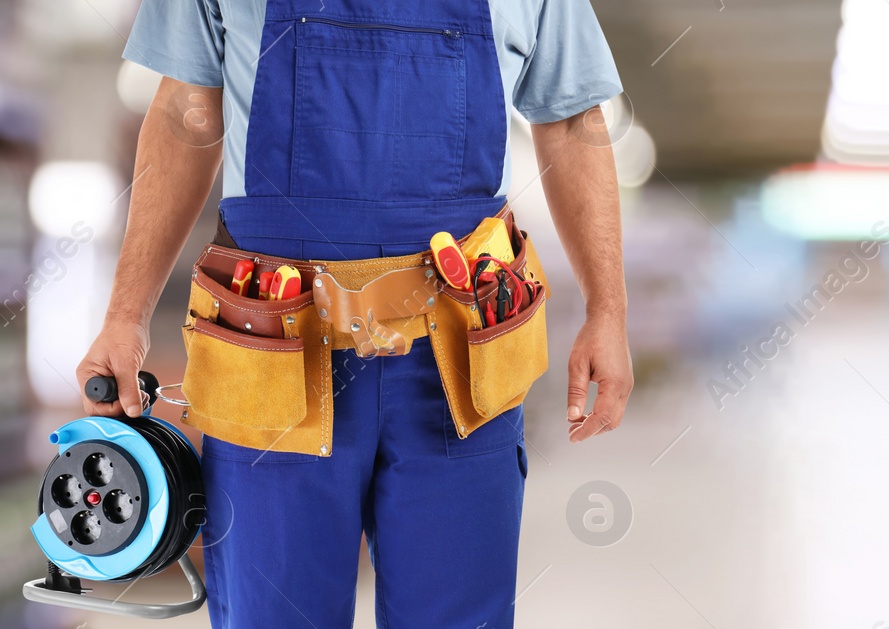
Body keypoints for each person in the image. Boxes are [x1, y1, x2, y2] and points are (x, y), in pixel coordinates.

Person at [72, 0, 633, 626]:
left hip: (458, 367)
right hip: (272, 357)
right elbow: (186, 114)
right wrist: (126, 315)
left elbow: (570, 118)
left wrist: (607, 310)